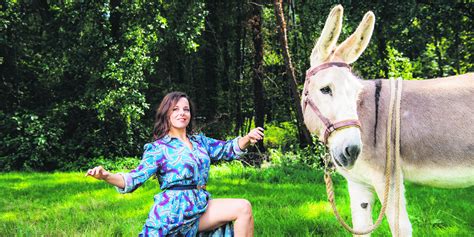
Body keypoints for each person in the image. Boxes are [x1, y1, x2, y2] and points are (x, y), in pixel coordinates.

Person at [86, 91, 264, 237]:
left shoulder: (200, 142)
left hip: (200, 205)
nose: (182, 113)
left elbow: (227, 149)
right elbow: (133, 179)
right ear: (166, 114)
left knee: (243, 207)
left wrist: (248, 138)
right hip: (173, 213)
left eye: (186, 109)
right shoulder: (159, 148)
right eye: (175, 109)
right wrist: (105, 175)